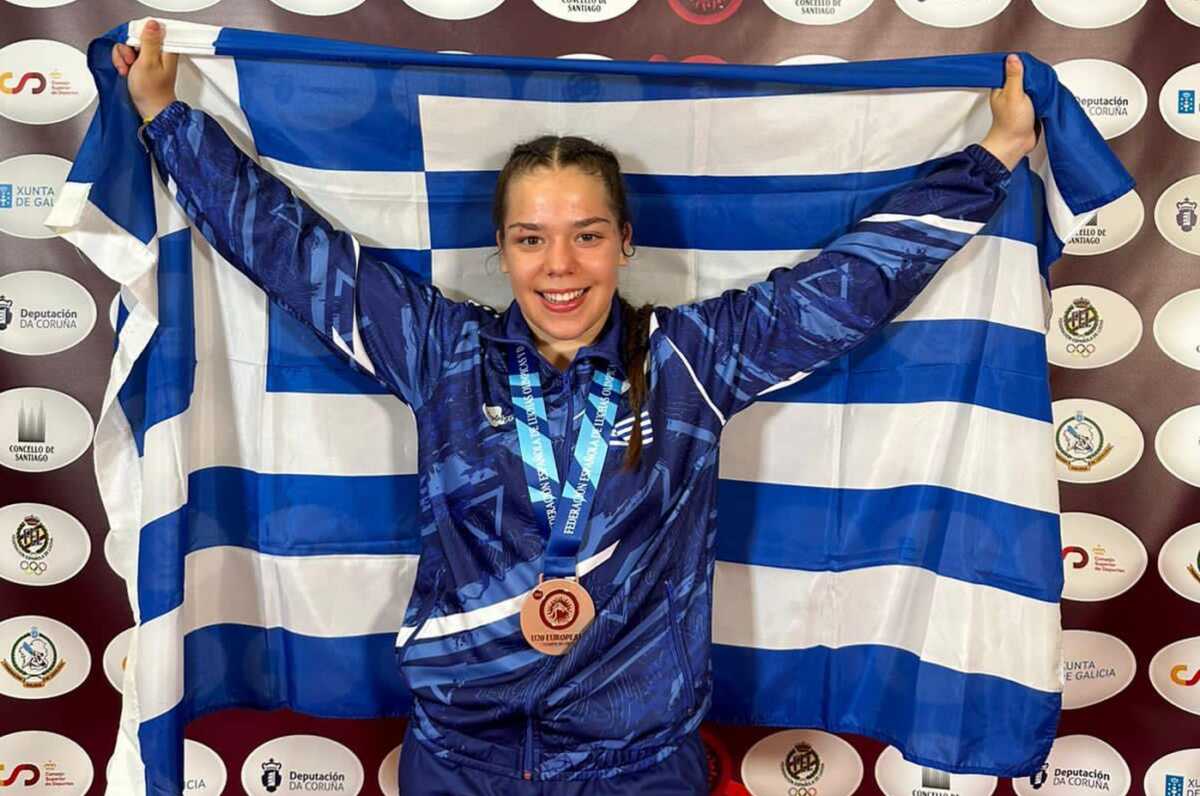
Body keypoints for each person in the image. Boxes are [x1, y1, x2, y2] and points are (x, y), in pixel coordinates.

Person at [114, 20, 1037, 796]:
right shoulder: (443, 352)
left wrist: (992, 156)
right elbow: (292, 252)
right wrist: (166, 118)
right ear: (502, 249)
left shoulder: (691, 360)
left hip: (637, 764)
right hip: (461, 758)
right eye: (532, 239)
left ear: (625, 242)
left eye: (586, 235)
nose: (560, 266)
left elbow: (849, 285)